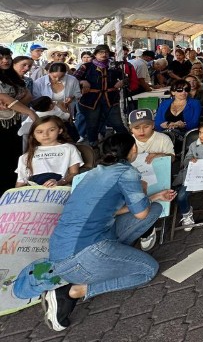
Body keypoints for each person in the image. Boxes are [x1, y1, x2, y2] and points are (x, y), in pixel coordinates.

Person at [42, 133, 175, 331]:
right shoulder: (127, 173)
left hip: (61, 251)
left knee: (156, 206)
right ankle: (72, 291)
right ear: (133, 150)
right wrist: (142, 189)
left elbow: (113, 210)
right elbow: (141, 214)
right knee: (147, 270)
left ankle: (112, 258)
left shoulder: (94, 173)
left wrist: (154, 196)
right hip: (83, 255)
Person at [74, 44, 126, 146]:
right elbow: (73, 79)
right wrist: (82, 81)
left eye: (106, 52)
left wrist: (122, 82)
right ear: (95, 54)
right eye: (101, 52)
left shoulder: (113, 66)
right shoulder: (86, 66)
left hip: (111, 100)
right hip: (91, 101)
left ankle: (126, 144)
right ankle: (93, 147)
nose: (104, 54)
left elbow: (126, 78)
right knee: (92, 124)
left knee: (117, 123)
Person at [0, 46, 37, 189]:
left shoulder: (11, 76)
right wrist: (29, 111)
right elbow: (3, 96)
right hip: (1, 123)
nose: (5, 61)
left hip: (14, 122)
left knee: (14, 156)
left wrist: (15, 105)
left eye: (8, 57)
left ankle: (11, 189)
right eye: (1, 58)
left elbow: (28, 94)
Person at [15, 116, 82, 187]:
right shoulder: (26, 155)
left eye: (51, 130)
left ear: (60, 130)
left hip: (61, 189)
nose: (45, 135)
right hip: (35, 192)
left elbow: (74, 173)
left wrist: (60, 182)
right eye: (40, 132)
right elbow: (21, 182)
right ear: (33, 135)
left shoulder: (69, 148)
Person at [154, 79, 202, 145]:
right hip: (165, 133)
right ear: (173, 92)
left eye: (186, 89)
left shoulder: (195, 103)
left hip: (185, 134)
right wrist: (169, 124)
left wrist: (181, 125)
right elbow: (158, 123)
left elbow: (194, 123)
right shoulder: (164, 103)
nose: (183, 92)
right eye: (180, 90)